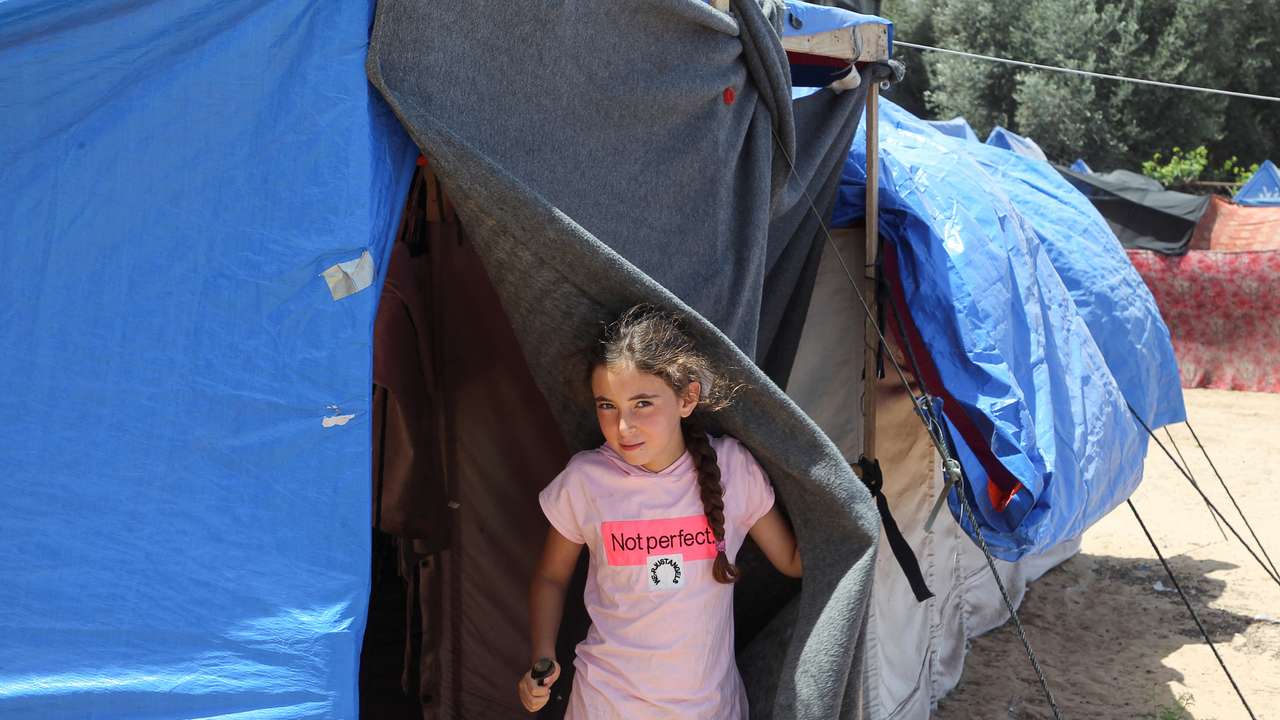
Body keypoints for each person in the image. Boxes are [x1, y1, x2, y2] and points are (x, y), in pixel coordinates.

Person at [517, 305, 802, 719]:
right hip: (605, 705)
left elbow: (794, 561)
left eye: (642, 404)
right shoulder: (585, 480)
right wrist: (542, 657)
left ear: (687, 397)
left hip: (710, 710)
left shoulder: (733, 470)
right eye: (607, 406)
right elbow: (550, 576)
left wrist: (856, 503)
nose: (623, 427)